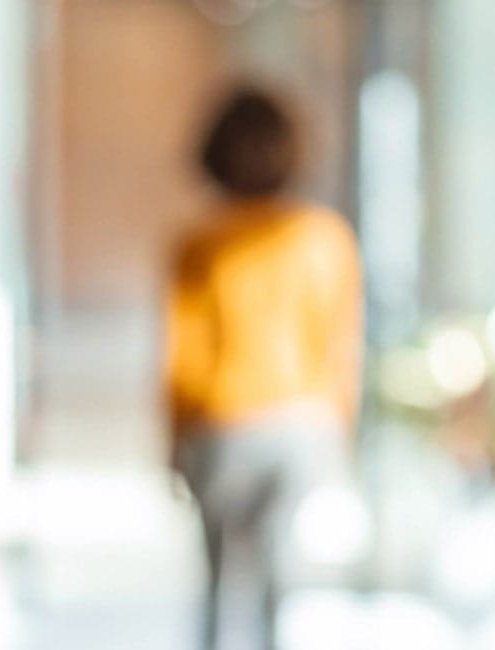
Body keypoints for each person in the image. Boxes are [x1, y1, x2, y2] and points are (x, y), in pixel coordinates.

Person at [165, 85, 364, 650]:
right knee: (281, 583)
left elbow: (186, 354)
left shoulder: (200, 243)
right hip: (302, 423)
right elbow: (339, 347)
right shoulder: (325, 239)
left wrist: (174, 443)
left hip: (221, 424)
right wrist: (339, 437)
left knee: (216, 582)